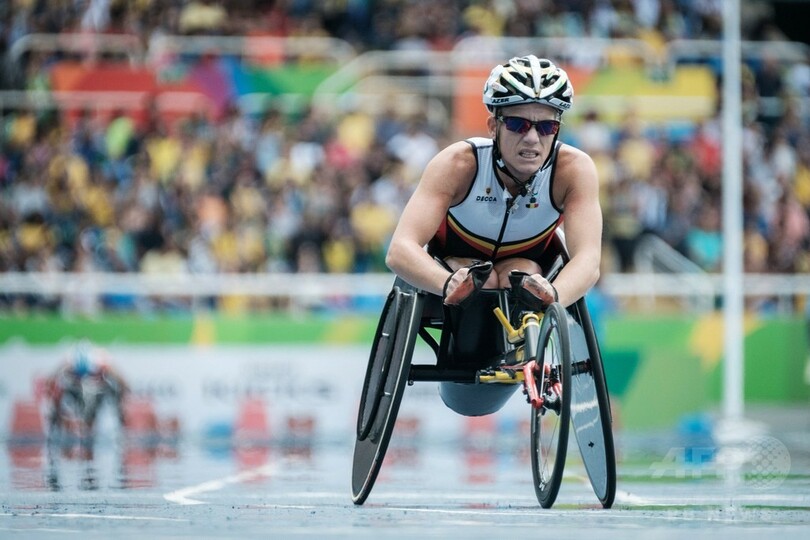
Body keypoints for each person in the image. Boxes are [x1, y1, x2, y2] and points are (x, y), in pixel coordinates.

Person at [385, 55, 603, 415]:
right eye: (518, 124)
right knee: (480, 276)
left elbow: (588, 261)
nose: (532, 138)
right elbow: (400, 251)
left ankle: (522, 354)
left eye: (546, 127)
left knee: (522, 273)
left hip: (527, 266)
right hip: (459, 264)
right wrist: (446, 283)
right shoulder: (457, 163)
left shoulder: (574, 170)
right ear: (493, 125)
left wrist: (556, 294)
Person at [45, 340, 129, 437]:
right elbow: (51, 381)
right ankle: (58, 422)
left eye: (90, 375)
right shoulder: (69, 361)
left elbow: (122, 382)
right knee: (60, 397)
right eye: (80, 377)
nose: (85, 380)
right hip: (76, 389)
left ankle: (119, 423)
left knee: (112, 394)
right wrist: (56, 406)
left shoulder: (102, 361)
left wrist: (121, 402)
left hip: (98, 389)